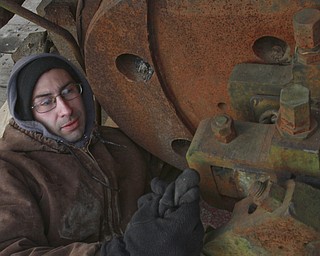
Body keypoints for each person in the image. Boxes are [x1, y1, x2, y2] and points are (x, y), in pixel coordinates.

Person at [0, 53, 204, 255]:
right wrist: (119, 252)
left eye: (69, 90)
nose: (66, 109)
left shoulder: (119, 143)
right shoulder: (10, 170)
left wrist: (166, 208)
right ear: (27, 114)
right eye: (46, 102)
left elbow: (168, 173)